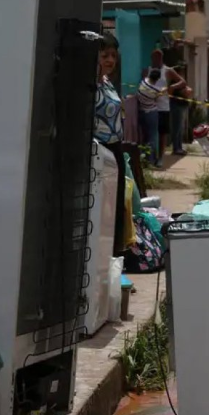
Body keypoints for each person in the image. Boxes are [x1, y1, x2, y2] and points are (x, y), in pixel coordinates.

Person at [94, 33, 128, 255]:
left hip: (116, 150)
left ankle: (114, 258)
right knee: (102, 210)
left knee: (115, 208)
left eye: (113, 56)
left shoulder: (107, 83)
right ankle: (102, 257)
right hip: (100, 152)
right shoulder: (90, 87)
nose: (110, 60)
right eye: (105, 55)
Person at [147, 50, 188, 158]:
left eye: (159, 58)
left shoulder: (168, 71)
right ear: (152, 59)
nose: (157, 60)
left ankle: (160, 157)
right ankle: (150, 156)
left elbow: (182, 81)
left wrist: (173, 87)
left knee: (162, 133)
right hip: (149, 106)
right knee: (149, 133)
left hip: (163, 107)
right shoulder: (147, 70)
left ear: (162, 58)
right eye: (155, 58)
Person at [137, 65, 168, 167]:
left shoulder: (143, 82)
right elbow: (160, 94)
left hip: (141, 111)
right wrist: (165, 88)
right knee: (152, 137)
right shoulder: (155, 89)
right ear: (157, 79)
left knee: (144, 136)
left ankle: (144, 158)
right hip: (151, 113)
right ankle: (150, 160)